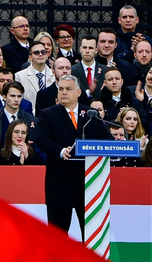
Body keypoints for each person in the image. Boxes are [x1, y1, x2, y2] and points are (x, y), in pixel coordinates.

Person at [36, 75, 110, 239]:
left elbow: (107, 140)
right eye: (60, 89)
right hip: (60, 184)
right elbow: (41, 140)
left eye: (68, 89)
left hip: (88, 184)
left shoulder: (90, 114)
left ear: (78, 92)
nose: (63, 92)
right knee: (58, 238)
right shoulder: (47, 114)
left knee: (91, 236)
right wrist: (61, 151)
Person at [0, 81, 39, 156]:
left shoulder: (32, 121)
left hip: (24, 165)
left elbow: (38, 149)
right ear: (4, 97)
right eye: (12, 96)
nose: (16, 100)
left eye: (19, 96)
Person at [15, 41, 55, 108]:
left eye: (43, 52)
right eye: (36, 52)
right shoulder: (19, 76)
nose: (40, 54)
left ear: (47, 56)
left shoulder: (55, 75)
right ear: (30, 57)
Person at [72, 35, 106, 99]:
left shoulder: (105, 70)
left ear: (96, 50)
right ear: (80, 49)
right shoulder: (72, 71)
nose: (87, 51)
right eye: (84, 47)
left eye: (90, 48)